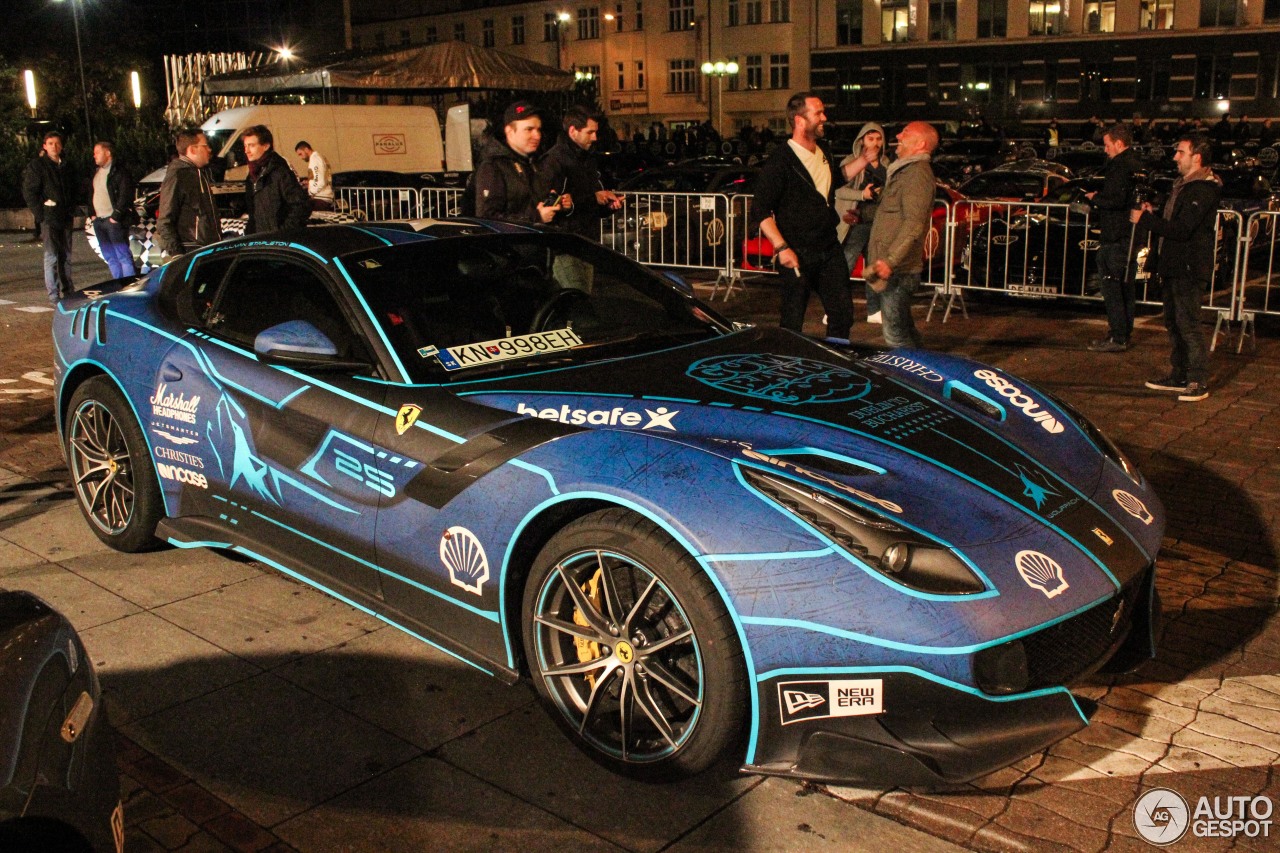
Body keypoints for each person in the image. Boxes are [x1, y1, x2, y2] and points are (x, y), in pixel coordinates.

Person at [751, 92, 851, 339]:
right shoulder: (780, 161)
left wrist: (864, 160)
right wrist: (782, 247)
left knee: (842, 313)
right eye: (818, 113)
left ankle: (836, 362)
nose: (824, 118)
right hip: (797, 250)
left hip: (828, 246)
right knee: (793, 317)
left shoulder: (824, 151)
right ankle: (788, 365)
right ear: (799, 120)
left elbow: (831, 181)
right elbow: (760, 210)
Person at [1131, 134, 1222, 402]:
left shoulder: (1203, 190)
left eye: (1180, 152)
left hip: (1189, 267)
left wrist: (1146, 220)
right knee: (1173, 322)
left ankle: (1197, 379)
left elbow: (1183, 229)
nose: (1175, 157)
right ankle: (1179, 374)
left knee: (1188, 323)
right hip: (1173, 265)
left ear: (1197, 157)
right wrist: (1155, 215)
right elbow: (1173, 223)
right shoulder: (1182, 186)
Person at [862, 121, 940, 349]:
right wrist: (861, 214)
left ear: (921, 144)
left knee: (895, 336)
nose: (898, 135)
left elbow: (913, 224)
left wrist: (890, 261)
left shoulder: (916, 175)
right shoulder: (905, 171)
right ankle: (924, 371)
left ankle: (909, 379)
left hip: (899, 269)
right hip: (897, 266)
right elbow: (893, 213)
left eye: (905, 133)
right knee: (905, 330)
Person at [542, 105, 624, 291]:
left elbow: (592, 199)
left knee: (581, 300)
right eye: (590, 132)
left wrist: (608, 205)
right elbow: (551, 204)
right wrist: (592, 198)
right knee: (576, 302)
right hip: (566, 247)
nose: (595, 138)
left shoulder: (586, 159)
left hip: (586, 244)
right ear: (573, 131)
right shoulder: (555, 160)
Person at [1085, 123, 1144, 352]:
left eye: (1108, 145)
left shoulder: (1119, 167)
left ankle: (1117, 335)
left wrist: (1096, 198)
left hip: (1116, 236)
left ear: (1119, 144)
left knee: (1112, 287)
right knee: (1125, 287)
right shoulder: (1136, 165)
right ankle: (1122, 333)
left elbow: (1116, 200)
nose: (1105, 150)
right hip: (1128, 236)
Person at [474, 101, 569, 225]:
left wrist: (558, 204)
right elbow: (487, 218)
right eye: (529, 129)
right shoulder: (493, 166)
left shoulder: (536, 162)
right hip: (513, 243)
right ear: (509, 131)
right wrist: (537, 217)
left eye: (538, 129)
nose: (537, 136)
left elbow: (531, 203)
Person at [835, 122, 887, 323]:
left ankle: (874, 311)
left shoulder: (886, 163)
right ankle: (833, 309)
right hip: (855, 222)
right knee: (844, 266)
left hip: (878, 223)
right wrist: (862, 194)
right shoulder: (851, 161)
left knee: (874, 268)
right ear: (862, 140)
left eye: (878, 138)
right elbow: (838, 189)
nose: (875, 143)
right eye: (870, 138)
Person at [22, 131, 78, 302]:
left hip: (65, 216)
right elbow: (30, 192)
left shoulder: (67, 166)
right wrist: (41, 214)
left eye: (57, 143)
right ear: (45, 146)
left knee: (66, 255)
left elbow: (74, 188)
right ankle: (53, 295)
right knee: (52, 255)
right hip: (49, 217)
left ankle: (69, 291)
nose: (55, 146)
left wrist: (71, 208)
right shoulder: (38, 166)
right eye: (51, 143)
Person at [155, 128, 222, 256]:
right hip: (192, 251)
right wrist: (177, 254)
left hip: (205, 249)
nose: (209, 149)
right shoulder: (178, 175)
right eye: (205, 145)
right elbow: (165, 220)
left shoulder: (197, 173)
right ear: (192, 149)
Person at [242, 126, 311, 235]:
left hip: (278, 243)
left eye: (251, 146)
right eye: (245, 146)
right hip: (261, 240)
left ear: (266, 146)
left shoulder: (279, 172)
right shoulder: (252, 176)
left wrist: (283, 232)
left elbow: (301, 205)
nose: (246, 151)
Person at [86, 141, 137, 281]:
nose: (94, 155)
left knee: (122, 255)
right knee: (110, 257)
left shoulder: (119, 171)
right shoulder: (96, 172)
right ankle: (118, 285)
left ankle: (129, 285)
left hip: (113, 220)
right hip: (100, 221)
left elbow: (125, 194)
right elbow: (91, 193)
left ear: (108, 153)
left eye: (97, 152)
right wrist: (93, 215)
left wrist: (116, 216)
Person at [294, 141, 334, 211]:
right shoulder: (320, 157)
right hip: (324, 197)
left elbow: (320, 181)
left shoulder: (315, 159)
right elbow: (319, 177)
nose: (301, 157)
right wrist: (309, 184)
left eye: (301, 154)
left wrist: (311, 192)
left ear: (306, 149)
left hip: (320, 198)